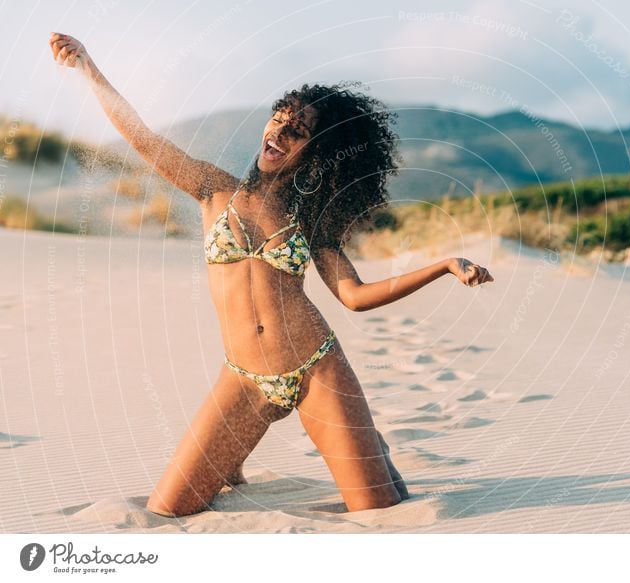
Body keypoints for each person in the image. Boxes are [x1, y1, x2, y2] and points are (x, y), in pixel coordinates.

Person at [49, 32, 495, 516]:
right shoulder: (211, 189)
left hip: (316, 370)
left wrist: (444, 266)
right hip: (242, 379)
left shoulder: (313, 224)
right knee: (168, 509)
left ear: (316, 152)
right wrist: (88, 68)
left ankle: (370, 447)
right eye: (278, 121)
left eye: (296, 132)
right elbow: (141, 137)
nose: (278, 135)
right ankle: (251, 458)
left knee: (378, 510)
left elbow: (355, 295)